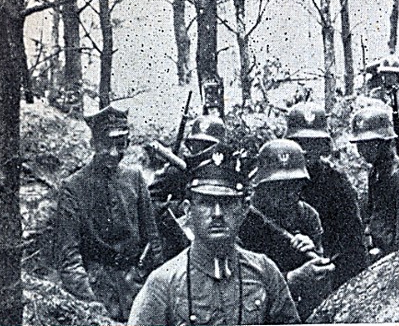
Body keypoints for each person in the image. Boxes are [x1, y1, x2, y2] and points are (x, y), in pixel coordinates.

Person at [129, 163, 300, 325]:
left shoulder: (264, 271)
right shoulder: (164, 283)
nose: (217, 213)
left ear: (244, 209)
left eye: (227, 203)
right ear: (188, 210)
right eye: (206, 203)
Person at [55, 105, 163, 322]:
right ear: (93, 144)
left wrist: (150, 285)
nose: (114, 153)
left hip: (137, 287)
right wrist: (91, 305)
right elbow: (68, 258)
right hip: (96, 290)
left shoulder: (135, 178)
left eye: (120, 145)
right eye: (106, 145)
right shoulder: (73, 187)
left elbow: (153, 241)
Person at [239, 139, 335, 320]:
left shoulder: (307, 215)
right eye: (280, 187)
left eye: (295, 186)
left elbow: (323, 278)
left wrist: (313, 252)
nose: (290, 194)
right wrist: (292, 279)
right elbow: (240, 289)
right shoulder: (242, 219)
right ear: (262, 186)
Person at [284, 102, 367, 289]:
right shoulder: (275, 182)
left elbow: (353, 247)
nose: (306, 150)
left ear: (323, 146)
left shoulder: (337, 184)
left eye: (313, 142)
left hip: (327, 276)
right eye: (299, 142)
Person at [149, 115, 237, 261]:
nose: (201, 150)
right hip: (179, 242)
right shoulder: (175, 170)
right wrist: (178, 210)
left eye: (208, 146)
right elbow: (149, 201)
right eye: (197, 144)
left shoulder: (228, 172)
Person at [350, 106, 399, 260]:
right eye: (359, 144)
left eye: (369, 144)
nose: (362, 150)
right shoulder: (376, 172)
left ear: (385, 142)